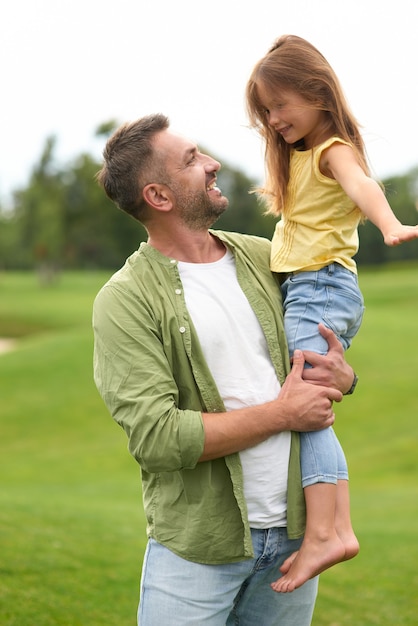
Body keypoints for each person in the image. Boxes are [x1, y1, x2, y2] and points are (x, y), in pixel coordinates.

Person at [92, 113, 356, 626]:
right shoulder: (124, 300)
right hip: (198, 550)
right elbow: (158, 438)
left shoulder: (268, 257)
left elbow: (322, 350)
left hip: (296, 538)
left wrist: (344, 377)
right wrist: (282, 413)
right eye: (192, 160)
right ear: (159, 197)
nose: (212, 164)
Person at [245, 34, 418, 593]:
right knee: (311, 398)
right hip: (313, 288)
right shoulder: (298, 155)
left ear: (317, 94)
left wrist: (389, 225)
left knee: (305, 403)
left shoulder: (332, 149)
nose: (273, 119)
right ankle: (335, 527)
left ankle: (325, 531)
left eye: (280, 105)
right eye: (265, 111)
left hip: (320, 288)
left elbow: (362, 185)